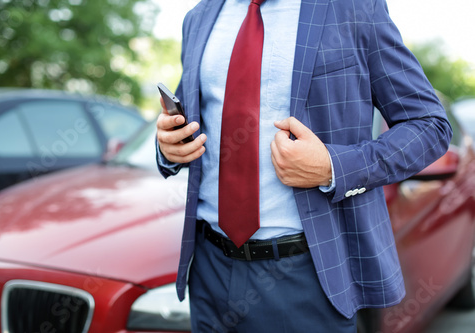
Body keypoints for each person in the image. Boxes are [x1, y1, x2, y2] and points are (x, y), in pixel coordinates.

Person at [156, 0, 452, 332]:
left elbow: (429, 126)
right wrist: (167, 145)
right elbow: (186, 121)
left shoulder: (355, 8)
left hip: (306, 275)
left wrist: (332, 166)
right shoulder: (198, 16)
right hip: (208, 269)